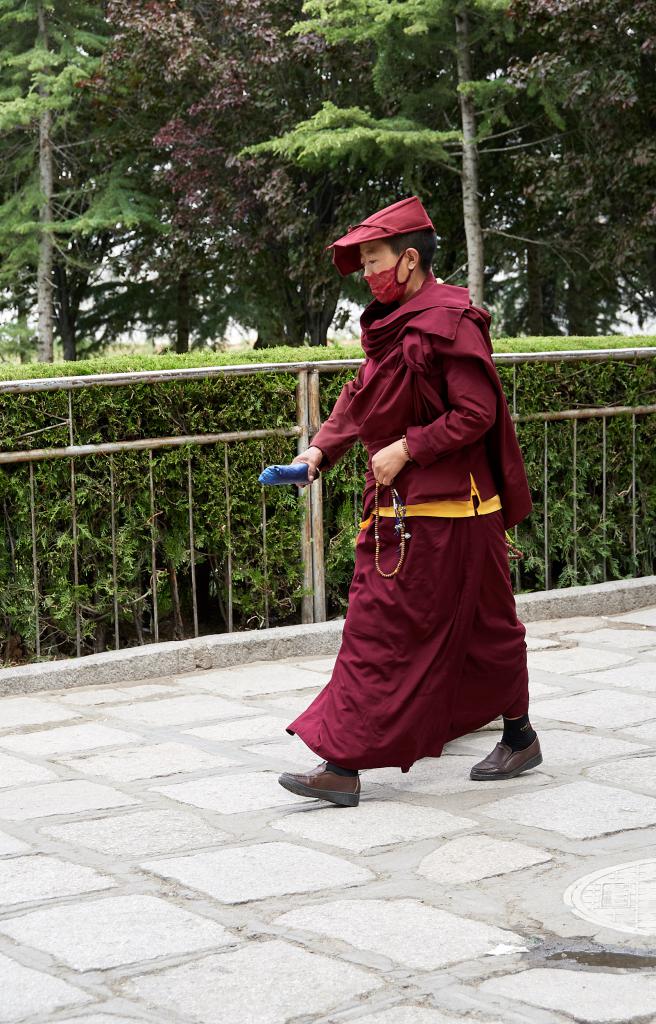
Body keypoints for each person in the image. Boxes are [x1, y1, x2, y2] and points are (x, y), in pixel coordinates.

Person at [278, 195, 541, 808]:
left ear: (411, 261)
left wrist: (408, 449)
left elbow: (476, 413)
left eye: (374, 259)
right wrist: (316, 454)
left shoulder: (451, 321)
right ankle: (520, 733)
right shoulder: (392, 325)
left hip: (455, 511)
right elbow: (361, 396)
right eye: (364, 262)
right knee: (469, 628)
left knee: (394, 630)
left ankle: (341, 765)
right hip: (406, 510)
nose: (367, 274)